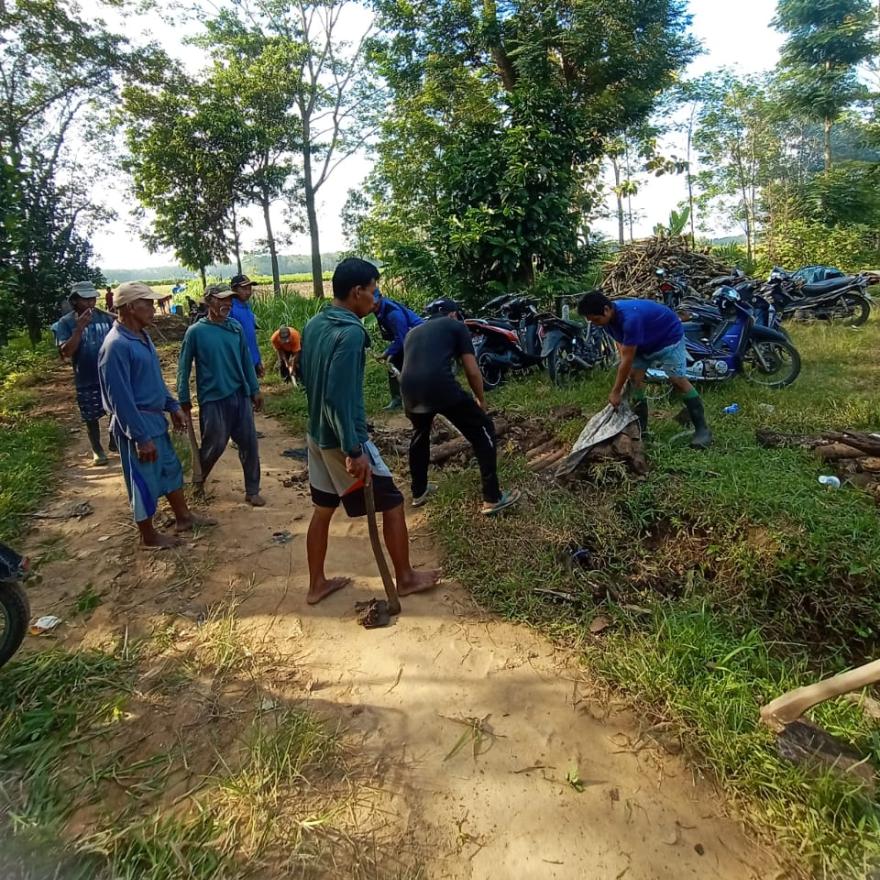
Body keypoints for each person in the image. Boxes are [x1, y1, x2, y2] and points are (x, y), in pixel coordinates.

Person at [300, 257, 439, 605]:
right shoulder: (350, 334)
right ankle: (404, 577)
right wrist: (353, 448)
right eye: (373, 292)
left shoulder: (316, 323)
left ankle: (316, 584)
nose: (376, 300)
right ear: (356, 291)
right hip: (340, 439)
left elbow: (308, 378)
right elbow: (338, 396)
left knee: (323, 508)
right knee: (393, 502)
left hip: (316, 434)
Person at [98, 282, 215, 548]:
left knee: (169, 469)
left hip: (155, 420)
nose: (153, 308)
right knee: (143, 481)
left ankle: (184, 517)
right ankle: (147, 536)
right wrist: (140, 437)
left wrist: (171, 405)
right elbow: (120, 400)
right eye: (148, 304)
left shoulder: (142, 336)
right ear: (130, 307)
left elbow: (154, 380)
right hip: (136, 424)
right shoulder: (115, 346)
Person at [400, 298, 521, 514]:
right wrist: (480, 399)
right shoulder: (457, 326)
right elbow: (472, 369)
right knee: (483, 429)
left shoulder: (413, 332)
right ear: (453, 314)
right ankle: (492, 498)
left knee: (420, 435)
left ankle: (419, 491)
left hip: (409, 389)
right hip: (440, 385)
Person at [577, 290, 712, 448]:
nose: (595, 323)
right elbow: (621, 345)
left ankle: (702, 429)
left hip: (668, 339)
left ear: (606, 309)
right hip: (642, 343)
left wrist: (616, 391)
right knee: (635, 381)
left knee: (677, 380)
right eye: (591, 321)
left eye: (596, 319)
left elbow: (627, 360)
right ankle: (641, 430)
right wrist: (627, 374)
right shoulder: (606, 321)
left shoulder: (630, 319)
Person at [177, 284, 265, 507]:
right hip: (213, 398)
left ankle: (252, 489)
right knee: (214, 444)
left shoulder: (235, 328)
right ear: (208, 302)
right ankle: (198, 480)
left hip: (239, 394)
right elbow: (183, 367)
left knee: (249, 444)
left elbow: (246, 361)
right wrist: (183, 398)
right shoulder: (196, 332)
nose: (227, 304)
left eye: (229, 301)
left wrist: (254, 389)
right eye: (221, 300)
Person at [53, 281, 117, 464]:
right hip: (86, 377)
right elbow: (66, 352)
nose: (90, 302)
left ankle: (114, 439)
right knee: (91, 416)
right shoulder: (65, 323)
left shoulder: (105, 317)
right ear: (74, 301)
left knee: (116, 410)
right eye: (85, 299)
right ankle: (97, 449)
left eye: (92, 298)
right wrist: (79, 329)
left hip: (110, 374)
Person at [372, 288, 423, 410]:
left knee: (399, 363)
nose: (372, 305)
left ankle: (416, 398)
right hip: (406, 337)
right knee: (393, 364)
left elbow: (402, 337)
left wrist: (388, 352)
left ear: (380, 298)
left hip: (418, 337)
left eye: (374, 302)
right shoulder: (379, 309)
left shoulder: (393, 313)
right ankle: (398, 399)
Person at [230, 274, 264, 378]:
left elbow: (251, 337)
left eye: (249, 288)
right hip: (239, 361)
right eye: (244, 289)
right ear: (234, 289)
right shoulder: (229, 309)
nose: (248, 292)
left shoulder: (247, 307)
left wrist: (258, 360)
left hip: (252, 359)